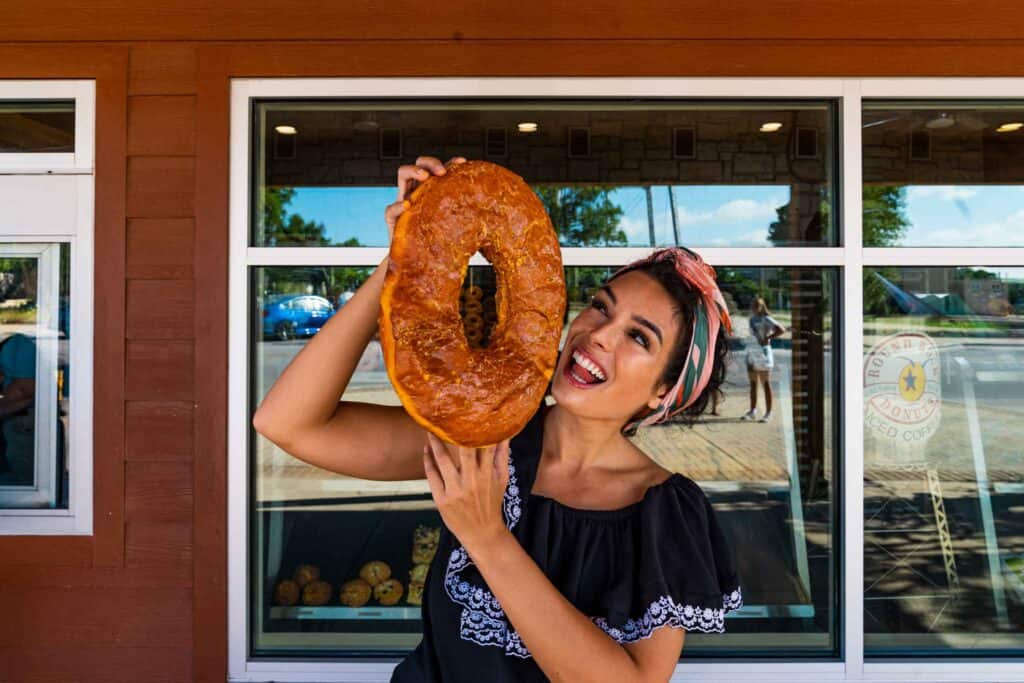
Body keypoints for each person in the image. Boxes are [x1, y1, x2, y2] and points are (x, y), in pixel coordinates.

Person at [253, 156, 743, 682]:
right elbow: (288, 423)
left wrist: (486, 538)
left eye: (639, 337)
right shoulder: (486, 431)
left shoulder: (666, 514)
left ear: (664, 392)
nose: (600, 333)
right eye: (602, 307)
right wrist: (403, 261)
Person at [741, 297, 786, 423]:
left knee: (765, 383)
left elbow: (781, 329)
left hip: (764, 352)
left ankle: (768, 413)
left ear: (761, 306)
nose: (754, 308)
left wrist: (768, 337)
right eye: (753, 305)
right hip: (752, 352)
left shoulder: (766, 318)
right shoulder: (751, 320)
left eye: (756, 306)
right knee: (753, 384)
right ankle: (752, 411)